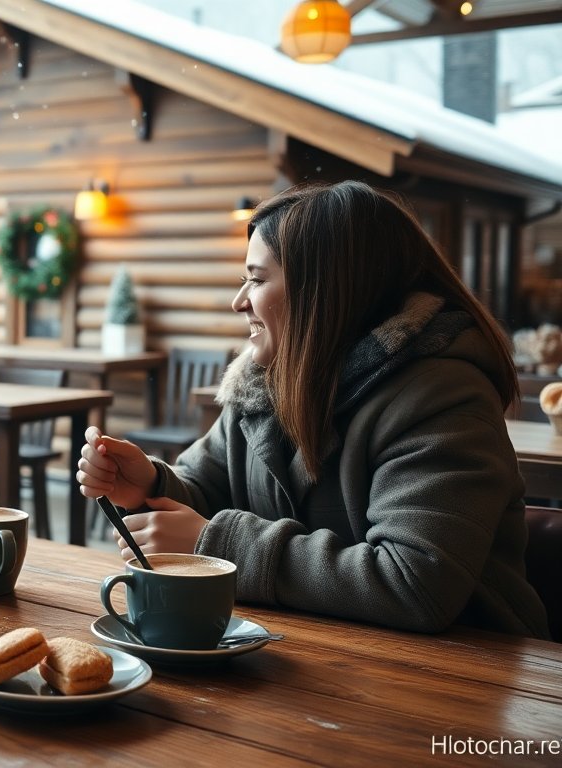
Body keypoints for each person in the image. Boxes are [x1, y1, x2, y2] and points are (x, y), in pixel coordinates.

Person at [77, 181, 548, 638]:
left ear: (324, 292)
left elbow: (415, 583)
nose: (239, 301)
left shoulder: (442, 396)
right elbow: (206, 488)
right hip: (317, 653)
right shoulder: (262, 387)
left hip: (468, 677)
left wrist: (215, 545)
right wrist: (152, 485)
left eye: (256, 280)